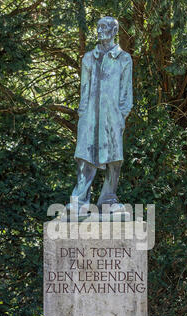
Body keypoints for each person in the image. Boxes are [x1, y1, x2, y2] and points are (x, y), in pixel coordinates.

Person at [68, 16, 133, 215]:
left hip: (113, 117)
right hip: (89, 116)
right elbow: (84, 90)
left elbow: (126, 93)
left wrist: (121, 116)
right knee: (85, 156)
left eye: (104, 27)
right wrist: (83, 114)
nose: (99, 30)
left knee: (114, 159)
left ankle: (108, 200)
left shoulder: (123, 58)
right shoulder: (88, 58)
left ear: (114, 31)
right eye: (98, 27)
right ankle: (80, 201)